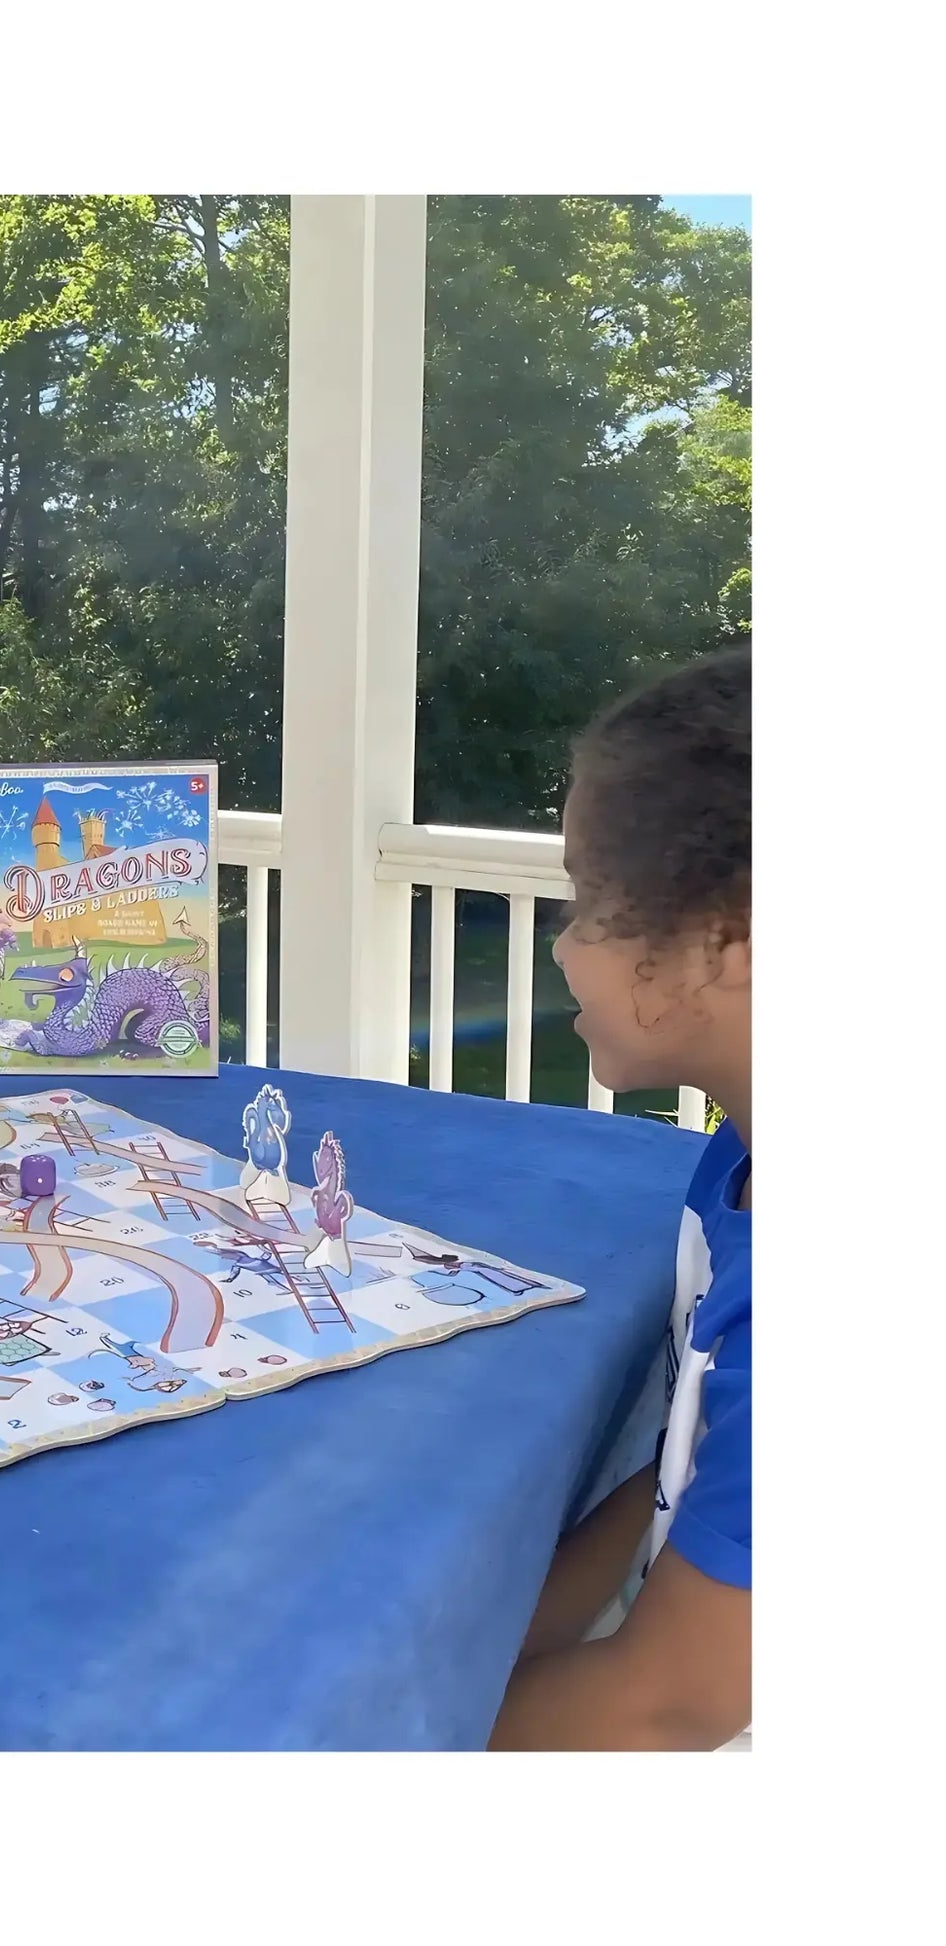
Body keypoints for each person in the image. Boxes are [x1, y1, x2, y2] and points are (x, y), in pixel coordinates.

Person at [490, 645, 750, 1750]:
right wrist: (473, 1648)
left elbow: (671, 1704)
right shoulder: (738, 1155)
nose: (561, 942)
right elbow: (680, 1482)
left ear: (728, 936)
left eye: (591, 899)